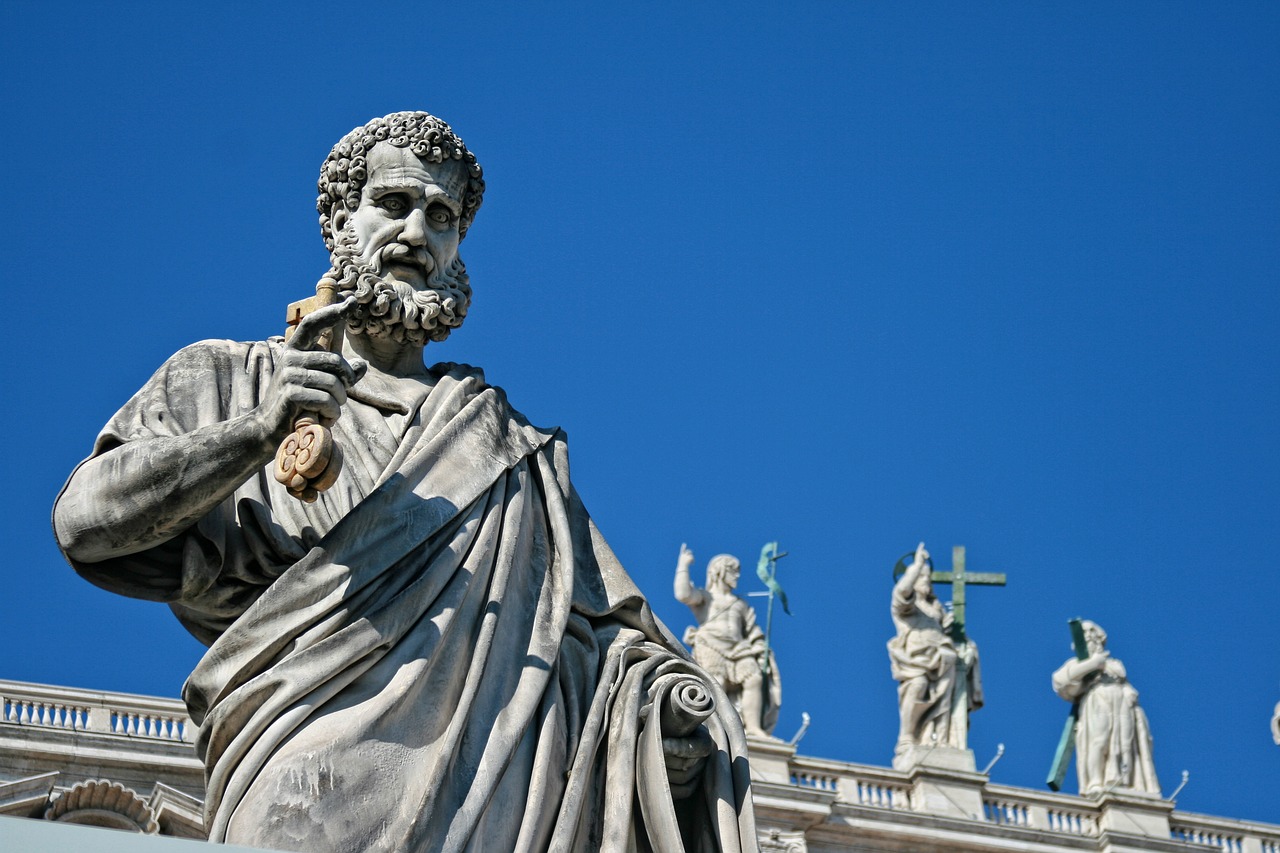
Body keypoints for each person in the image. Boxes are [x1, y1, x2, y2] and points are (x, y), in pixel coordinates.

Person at [53, 111, 758, 852]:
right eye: (394, 204)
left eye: (442, 216)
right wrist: (257, 431)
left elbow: (604, 646)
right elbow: (85, 521)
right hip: (300, 781)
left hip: (495, 803)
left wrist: (664, 715)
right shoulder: (234, 376)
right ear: (339, 222)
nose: (419, 233)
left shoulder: (509, 449)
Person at [886, 542, 982, 767]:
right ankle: (907, 737)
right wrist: (917, 566)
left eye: (928, 578)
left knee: (945, 702)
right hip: (916, 661)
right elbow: (901, 592)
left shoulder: (936, 611)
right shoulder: (906, 607)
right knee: (918, 685)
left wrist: (949, 631)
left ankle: (937, 737)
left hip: (943, 661)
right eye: (922, 577)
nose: (926, 581)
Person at [674, 544, 781, 738]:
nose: (737, 576)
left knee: (754, 678)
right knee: (717, 683)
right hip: (711, 644)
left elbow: (752, 630)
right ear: (720, 571)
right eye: (733, 571)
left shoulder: (741, 604)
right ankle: (717, 727)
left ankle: (753, 727)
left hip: (739, 648)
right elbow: (683, 594)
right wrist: (683, 565)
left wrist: (759, 646)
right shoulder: (707, 597)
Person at [1052, 620, 1160, 796]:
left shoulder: (1115, 663)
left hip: (1122, 702)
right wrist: (1093, 664)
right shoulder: (1078, 663)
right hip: (1098, 699)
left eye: (1090, 638)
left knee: (1125, 744)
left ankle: (1126, 782)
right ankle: (1095, 781)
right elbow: (1060, 681)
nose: (1086, 642)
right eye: (1084, 640)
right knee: (1099, 740)